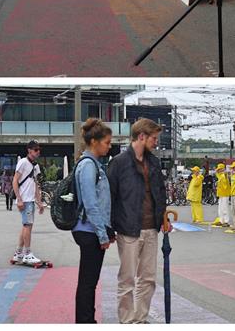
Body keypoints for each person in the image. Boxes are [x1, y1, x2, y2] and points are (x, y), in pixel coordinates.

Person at [108, 118, 168, 324]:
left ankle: (140, 319)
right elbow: (110, 197)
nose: (156, 142)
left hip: (151, 227)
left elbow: (160, 192)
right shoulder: (119, 163)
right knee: (127, 280)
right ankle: (127, 321)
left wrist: (163, 217)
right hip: (128, 229)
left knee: (148, 278)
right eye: (153, 138)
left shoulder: (154, 162)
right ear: (141, 136)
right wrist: (110, 228)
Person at [72, 118, 114, 324]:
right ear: (95, 142)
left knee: (88, 281)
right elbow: (91, 203)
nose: (109, 146)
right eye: (106, 142)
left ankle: (86, 320)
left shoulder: (90, 164)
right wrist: (102, 234)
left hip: (88, 229)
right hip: (89, 231)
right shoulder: (89, 166)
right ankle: (85, 322)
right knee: (88, 282)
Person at [11, 140, 44, 264]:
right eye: (36, 150)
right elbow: (15, 180)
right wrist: (19, 199)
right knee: (27, 226)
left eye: (39, 150)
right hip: (24, 200)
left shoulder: (35, 166)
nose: (38, 152)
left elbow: (36, 185)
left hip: (30, 200)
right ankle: (27, 253)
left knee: (26, 226)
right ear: (29, 150)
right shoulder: (23, 162)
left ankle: (19, 253)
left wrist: (39, 202)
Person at [215, 163, 230, 227]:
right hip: (221, 194)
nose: (219, 170)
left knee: (225, 208)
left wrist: (225, 174)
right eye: (219, 169)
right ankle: (221, 221)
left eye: (220, 169)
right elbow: (217, 174)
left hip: (225, 194)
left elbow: (226, 179)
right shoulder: (220, 175)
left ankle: (226, 221)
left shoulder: (224, 175)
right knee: (220, 208)